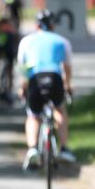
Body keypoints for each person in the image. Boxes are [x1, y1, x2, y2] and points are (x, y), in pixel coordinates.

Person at [17, 9, 75, 170]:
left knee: (33, 116)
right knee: (60, 110)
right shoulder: (62, 41)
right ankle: (63, 148)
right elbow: (67, 68)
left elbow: (23, 69)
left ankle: (33, 149)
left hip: (35, 78)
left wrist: (23, 88)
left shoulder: (26, 41)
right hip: (54, 78)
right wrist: (68, 86)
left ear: (36, 25)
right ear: (53, 25)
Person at [0, 17, 19, 107]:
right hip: (2, 57)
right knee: (5, 73)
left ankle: (7, 89)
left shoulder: (6, 34)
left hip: (5, 57)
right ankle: (5, 89)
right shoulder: (5, 33)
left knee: (9, 72)